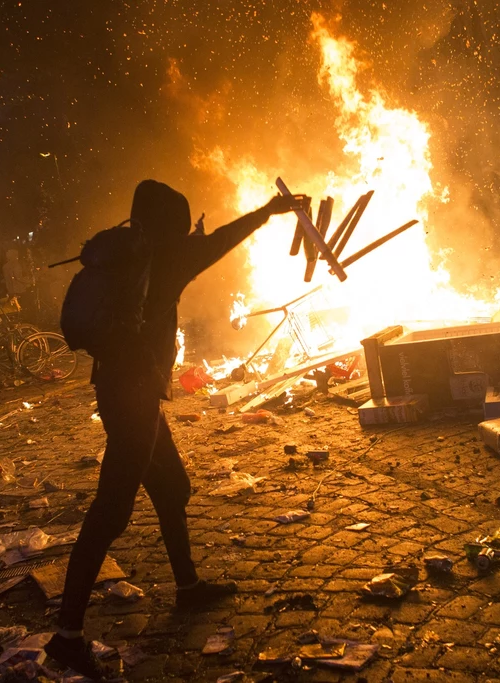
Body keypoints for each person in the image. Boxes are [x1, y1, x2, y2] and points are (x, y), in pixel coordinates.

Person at [43, 180, 301, 679]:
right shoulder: (164, 260)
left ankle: (187, 587)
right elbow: (220, 241)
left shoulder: (126, 255)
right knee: (110, 512)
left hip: (127, 391)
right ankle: (67, 636)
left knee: (171, 487)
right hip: (132, 397)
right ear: (170, 225)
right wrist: (268, 210)